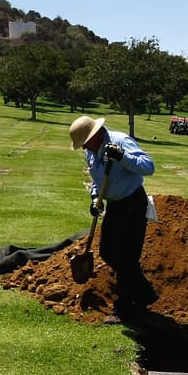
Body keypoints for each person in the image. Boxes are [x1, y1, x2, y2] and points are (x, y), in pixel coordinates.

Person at [68, 115, 158, 318]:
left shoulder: (120, 141)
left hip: (133, 203)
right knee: (108, 252)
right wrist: (94, 200)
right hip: (115, 205)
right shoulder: (91, 152)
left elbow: (148, 167)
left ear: (96, 134)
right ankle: (144, 293)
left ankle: (125, 307)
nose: (83, 148)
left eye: (85, 143)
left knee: (126, 257)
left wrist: (123, 157)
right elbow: (97, 180)